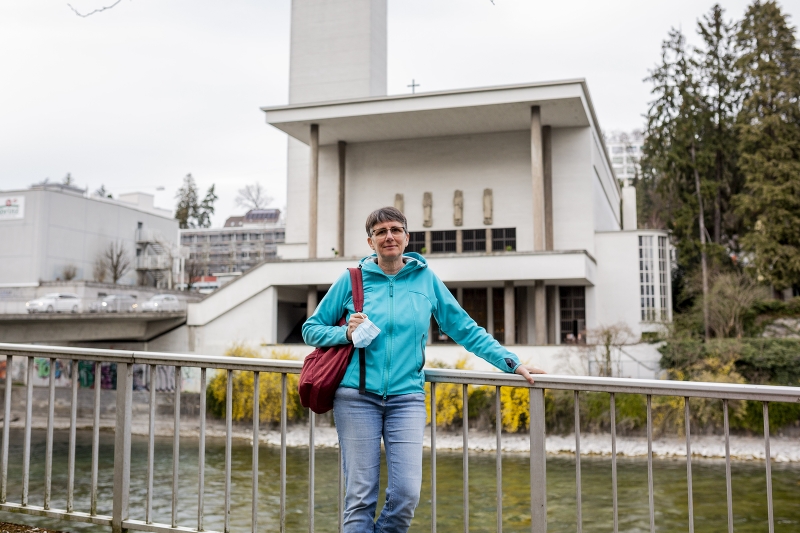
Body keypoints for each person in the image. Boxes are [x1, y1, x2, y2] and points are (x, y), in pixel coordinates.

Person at [302, 206, 545, 533]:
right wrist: (344, 332)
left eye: (395, 230)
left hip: (407, 399)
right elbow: (311, 329)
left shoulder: (425, 279)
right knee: (360, 496)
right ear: (370, 242)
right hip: (356, 398)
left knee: (405, 495)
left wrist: (511, 363)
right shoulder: (352, 280)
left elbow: (465, 329)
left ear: (407, 237)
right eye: (380, 232)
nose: (389, 236)